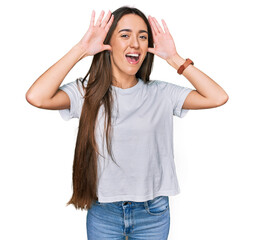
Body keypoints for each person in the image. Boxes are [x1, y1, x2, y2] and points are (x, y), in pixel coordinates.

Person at [26, 6, 229, 240]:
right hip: (104, 211)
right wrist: (82, 49)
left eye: (143, 37)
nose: (136, 43)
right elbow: (37, 97)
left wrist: (174, 58)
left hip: (152, 213)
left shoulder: (161, 93)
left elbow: (217, 97)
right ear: (107, 43)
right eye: (125, 35)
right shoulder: (85, 93)